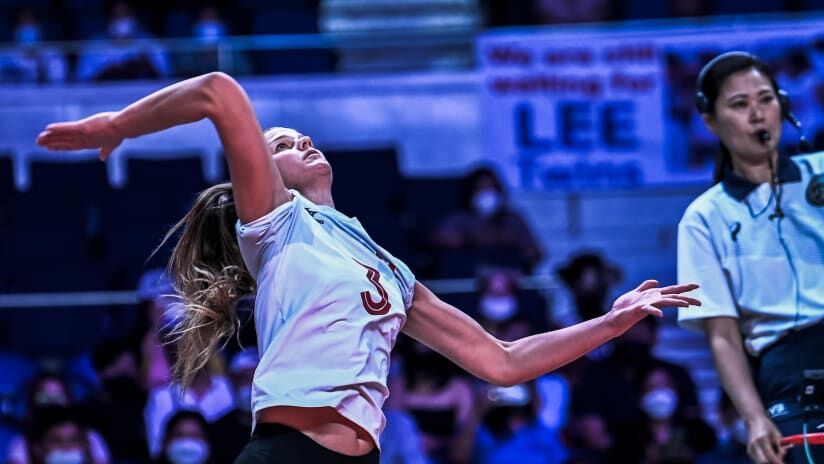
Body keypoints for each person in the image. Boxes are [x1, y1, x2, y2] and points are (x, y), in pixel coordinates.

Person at [36, 71, 701, 463]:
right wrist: (118, 126)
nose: (303, 141)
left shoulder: (389, 268)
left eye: (303, 136)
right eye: (282, 145)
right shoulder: (276, 223)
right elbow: (217, 91)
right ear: (261, 176)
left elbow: (501, 362)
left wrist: (608, 324)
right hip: (289, 450)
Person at [677, 51, 824, 464]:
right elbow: (722, 334)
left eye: (766, 99)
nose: (758, 114)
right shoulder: (704, 218)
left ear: (784, 106)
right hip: (789, 379)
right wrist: (755, 419)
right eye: (740, 104)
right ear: (711, 122)